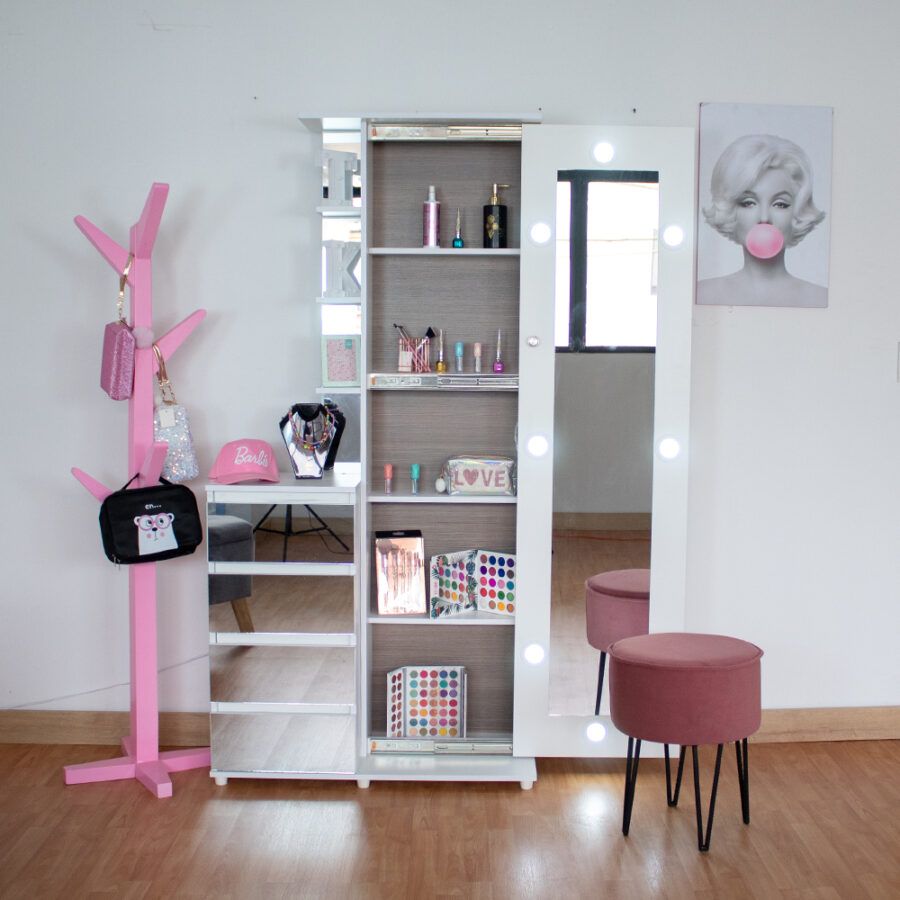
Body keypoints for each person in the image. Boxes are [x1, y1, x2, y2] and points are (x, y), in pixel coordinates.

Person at [697, 133, 827, 307]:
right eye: (748, 203)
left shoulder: (820, 299)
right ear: (730, 209)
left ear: (798, 212)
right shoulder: (702, 294)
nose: (764, 218)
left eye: (780, 204)